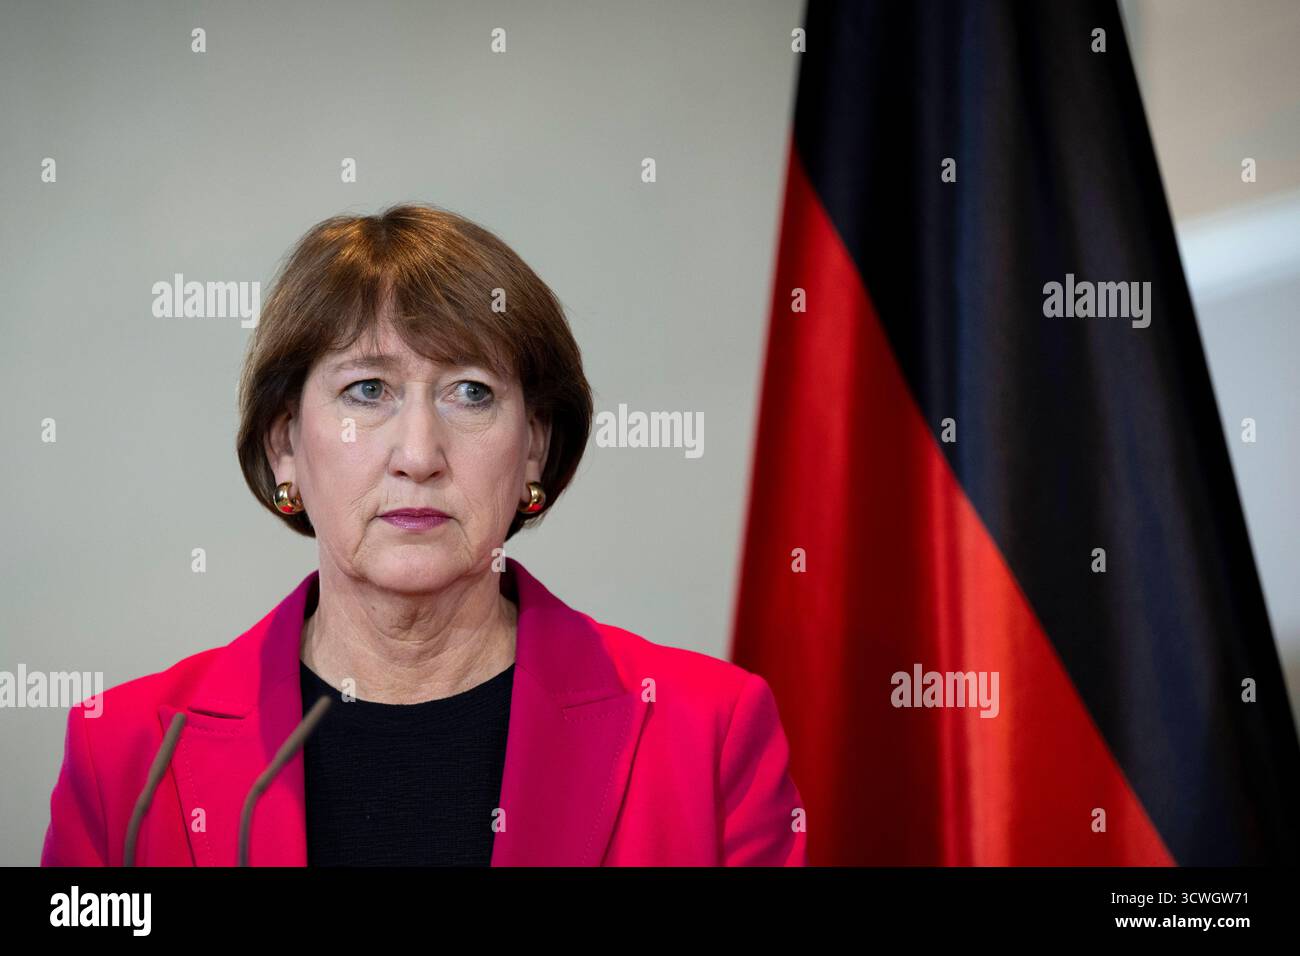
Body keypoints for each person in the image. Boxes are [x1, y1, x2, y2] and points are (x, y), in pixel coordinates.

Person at [40, 203, 807, 866]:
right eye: (365, 391)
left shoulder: (708, 735)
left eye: (470, 392)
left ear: (533, 446)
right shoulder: (126, 757)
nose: (418, 454)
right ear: (285, 446)